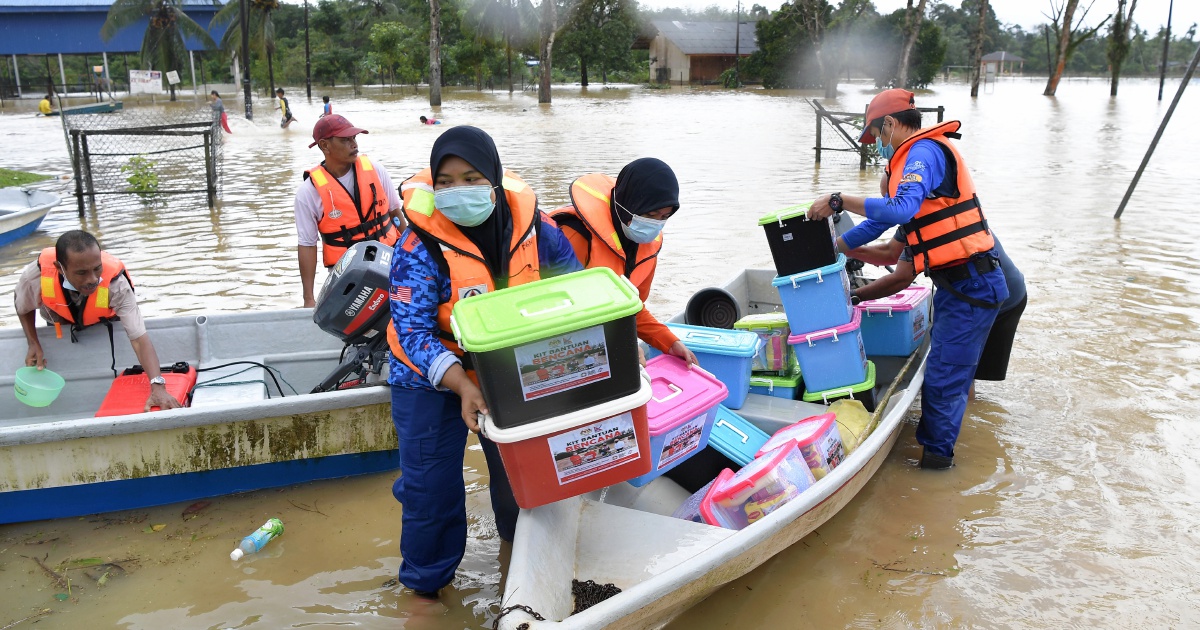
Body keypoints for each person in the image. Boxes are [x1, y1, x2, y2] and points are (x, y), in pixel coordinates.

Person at [386, 126, 584, 598]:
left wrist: (616, 344)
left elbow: (578, 289)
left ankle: (516, 562)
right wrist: (461, 385)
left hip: (510, 369)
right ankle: (426, 589)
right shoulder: (417, 246)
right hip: (429, 376)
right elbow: (411, 332)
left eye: (471, 178)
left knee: (522, 480)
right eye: (445, 181)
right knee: (431, 491)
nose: (457, 191)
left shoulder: (538, 230)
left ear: (494, 181)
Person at [807, 88, 1008, 470]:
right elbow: (881, 228)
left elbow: (901, 207)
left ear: (890, 124)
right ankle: (941, 450)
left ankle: (935, 467)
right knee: (950, 375)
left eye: (879, 137)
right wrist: (833, 248)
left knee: (943, 380)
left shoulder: (923, 152)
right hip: (959, 286)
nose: (880, 146)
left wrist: (839, 200)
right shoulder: (918, 189)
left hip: (973, 285)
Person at [550, 158, 699, 366]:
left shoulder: (647, 244)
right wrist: (619, 343)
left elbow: (632, 308)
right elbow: (557, 310)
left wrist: (669, 341)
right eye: (650, 214)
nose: (655, 224)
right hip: (560, 345)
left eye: (664, 216)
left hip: (602, 338)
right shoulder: (574, 234)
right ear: (626, 203)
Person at [13, 230, 182, 412]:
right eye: (81, 273)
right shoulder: (36, 275)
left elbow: (139, 338)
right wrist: (32, 342)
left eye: (97, 268)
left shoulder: (115, 284)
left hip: (105, 320)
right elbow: (22, 306)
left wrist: (158, 387)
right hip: (60, 320)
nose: (92, 279)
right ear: (59, 267)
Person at [849, 228, 1027, 395]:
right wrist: (847, 248)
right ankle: (970, 416)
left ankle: (965, 418)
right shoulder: (928, 206)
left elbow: (900, 278)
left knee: (957, 378)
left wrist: (854, 295)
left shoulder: (924, 221)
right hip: (1003, 289)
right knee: (964, 372)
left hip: (995, 299)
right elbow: (890, 252)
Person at [294, 114, 406, 307]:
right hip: (348, 277)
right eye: (345, 140)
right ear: (324, 145)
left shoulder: (376, 170)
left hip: (391, 259)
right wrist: (308, 299)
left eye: (354, 138)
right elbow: (307, 245)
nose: (354, 144)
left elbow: (396, 214)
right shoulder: (308, 193)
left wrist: (416, 259)